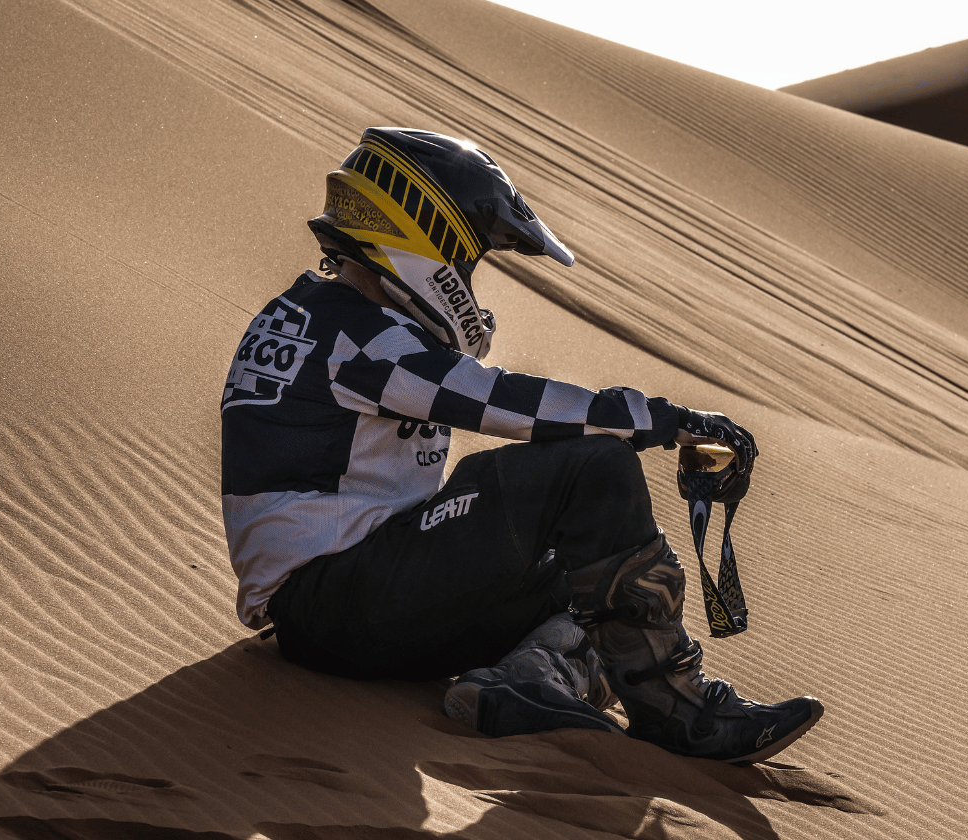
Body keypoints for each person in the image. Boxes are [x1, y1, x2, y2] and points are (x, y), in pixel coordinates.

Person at [221, 127, 823, 763]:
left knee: (590, 570)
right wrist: (663, 420)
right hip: (335, 600)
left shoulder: (319, 314)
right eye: (469, 261)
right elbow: (497, 401)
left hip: (340, 607)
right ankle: (678, 709)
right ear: (429, 239)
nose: (468, 282)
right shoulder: (357, 335)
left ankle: (527, 681)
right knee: (593, 468)